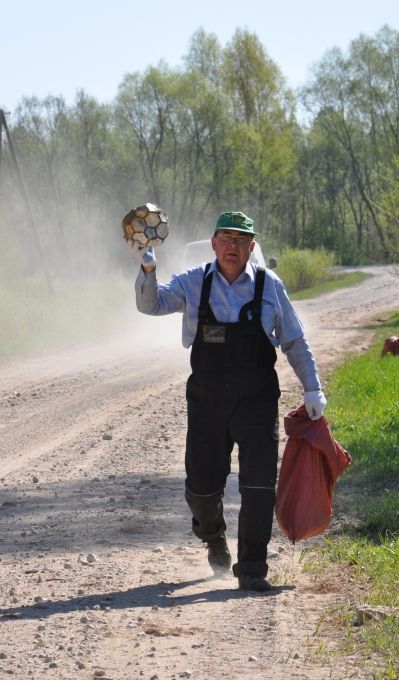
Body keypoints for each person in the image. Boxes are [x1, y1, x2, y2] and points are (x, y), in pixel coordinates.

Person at [127, 210, 327, 592]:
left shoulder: (270, 286)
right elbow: (151, 306)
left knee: (258, 486)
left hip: (256, 401)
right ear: (214, 243)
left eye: (241, 240)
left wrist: (312, 388)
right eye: (226, 238)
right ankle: (213, 534)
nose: (232, 247)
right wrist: (148, 270)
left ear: (252, 248)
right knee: (201, 489)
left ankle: (252, 568)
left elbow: (294, 341)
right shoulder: (193, 282)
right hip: (207, 401)